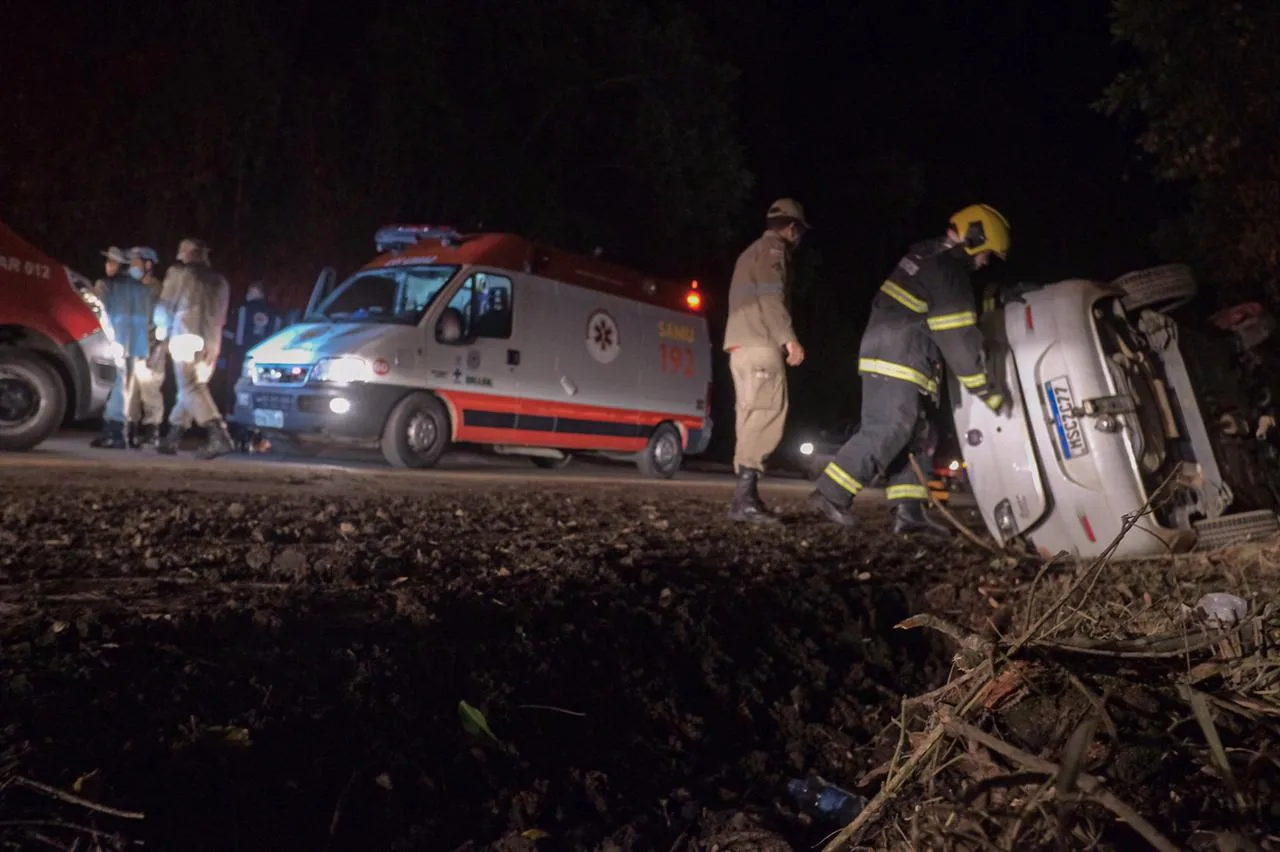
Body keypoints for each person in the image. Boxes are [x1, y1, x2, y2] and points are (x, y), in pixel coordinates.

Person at [808, 204, 1011, 536]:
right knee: (892, 426)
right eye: (987, 253)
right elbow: (959, 342)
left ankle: (910, 512)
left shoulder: (928, 259)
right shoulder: (946, 272)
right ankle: (830, 493)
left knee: (920, 435)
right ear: (974, 237)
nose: (985, 262)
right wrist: (988, 391)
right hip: (898, 357)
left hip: (895, 352)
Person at [722, 198, 809, 523]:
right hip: (761, 343)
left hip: (739, 346)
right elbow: (771, 296)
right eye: (798, 231)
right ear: (791, 228)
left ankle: (745, 496)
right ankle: (744, 498)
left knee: (748, 416)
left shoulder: (749, 252)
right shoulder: (775, 250)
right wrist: (789, 338)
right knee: (768, 413)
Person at [153, 237, 233, 459]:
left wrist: (161, 332)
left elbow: (165, 308)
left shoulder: (181, 274)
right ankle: (173, 437)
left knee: (190, 388)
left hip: (185, 337)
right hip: (212, 343)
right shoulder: (221, 281)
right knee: (191, 390)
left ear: (186, 254)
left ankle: (219, 435)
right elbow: (223, 317)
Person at [90, 246, 154, 449]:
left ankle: (114, 433)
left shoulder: (106, 285)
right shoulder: (143, 288)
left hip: (113, 340)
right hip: (137, 343)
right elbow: (152, 318)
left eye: (111, 262)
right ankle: (117, 431)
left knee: (116, 387)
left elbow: (97, 313)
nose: (108, 265)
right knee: (124, 388)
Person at [124, 246, 167, 449]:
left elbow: (164, 322)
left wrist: (158, 346)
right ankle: (130, 431)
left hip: (152, 346)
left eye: (135, 262)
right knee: (129, 391)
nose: (132, 266)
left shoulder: (158, 290)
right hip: (130, 346)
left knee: (150, 391)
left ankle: (152, 433)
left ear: (148, 264)